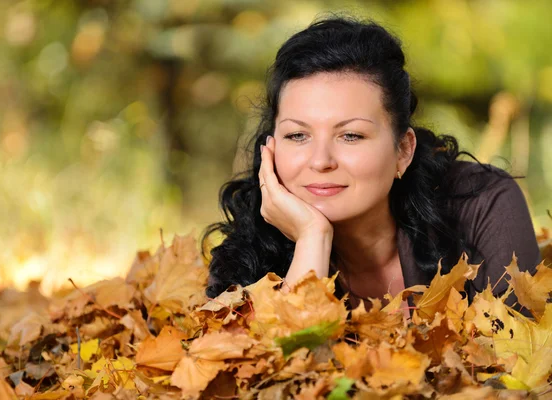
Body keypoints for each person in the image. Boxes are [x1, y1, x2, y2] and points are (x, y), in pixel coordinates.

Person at [201, 15, 541, 316]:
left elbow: (521, 374)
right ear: (271, 147)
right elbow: (270, 380)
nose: (320, 161)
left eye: (350, 135)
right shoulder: (248, 250)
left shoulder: (481, 206)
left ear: (403, 151)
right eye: (297, 136)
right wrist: (312, 240)